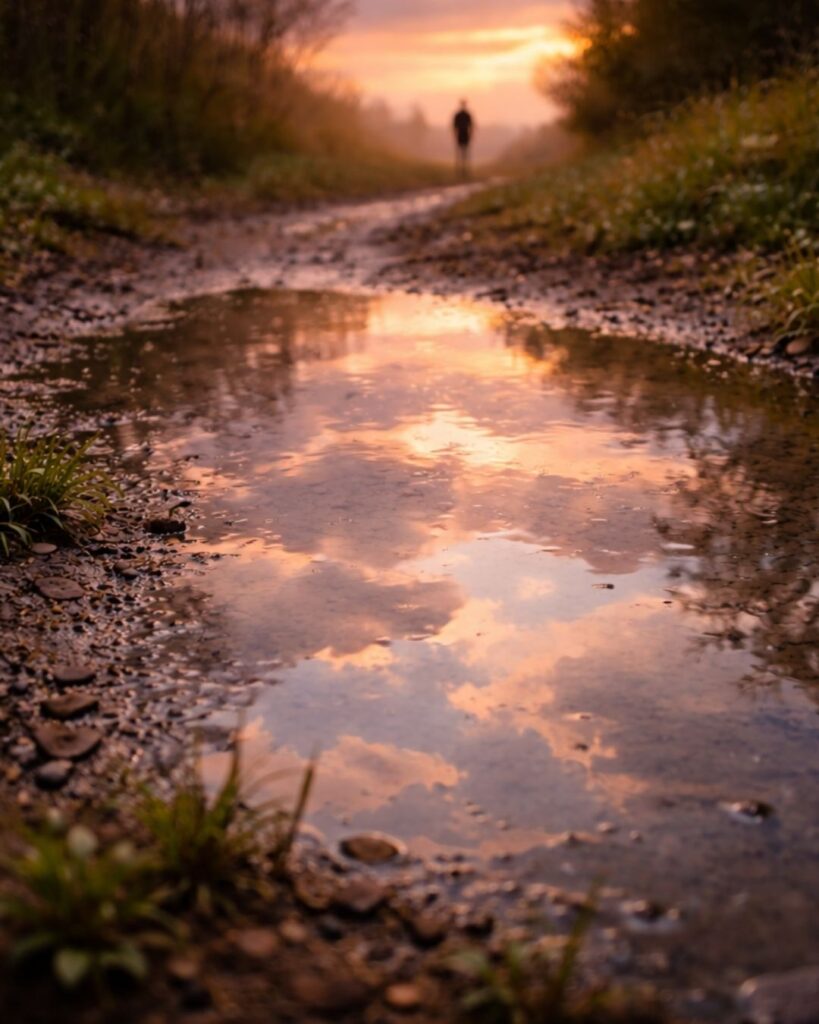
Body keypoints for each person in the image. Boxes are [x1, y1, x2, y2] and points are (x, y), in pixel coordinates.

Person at [452, 100, 474, 179]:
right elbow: (455, 127)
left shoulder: (462, 115)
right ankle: (461, 170)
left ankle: (463, 170)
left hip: (463, 135)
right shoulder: (464, 115)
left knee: (463, 153)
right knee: (462, 153)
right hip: (462, 135)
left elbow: (471, 126)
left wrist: (470, 135)